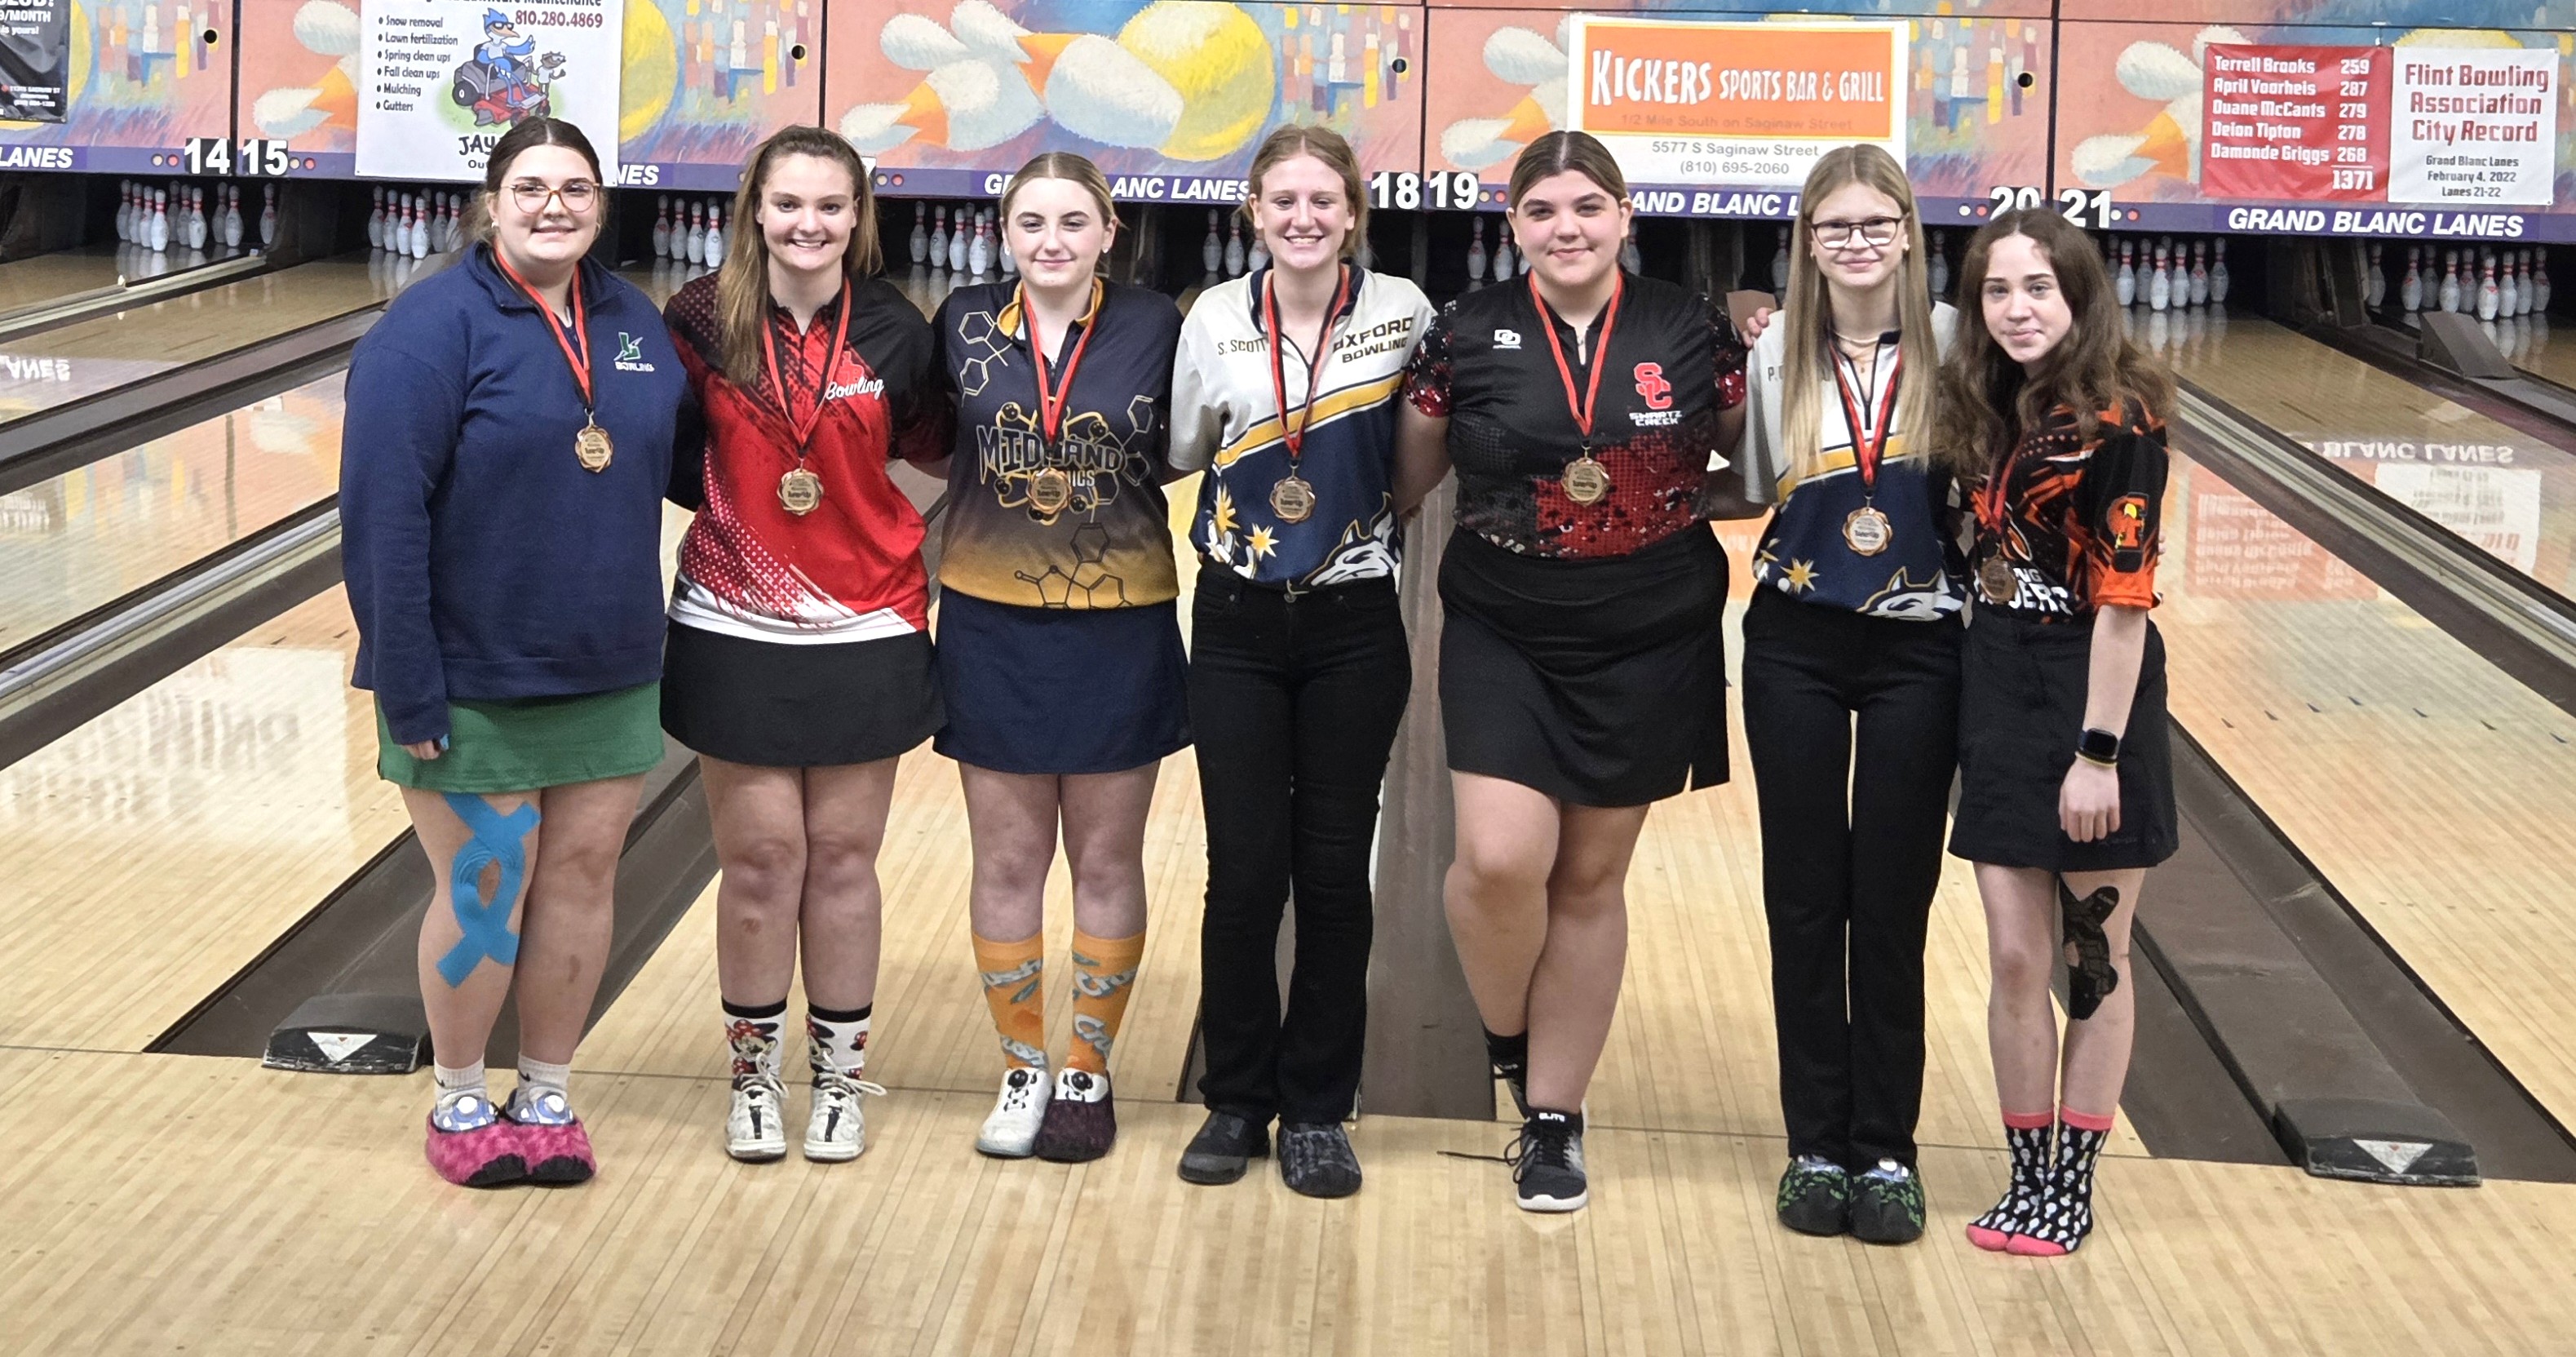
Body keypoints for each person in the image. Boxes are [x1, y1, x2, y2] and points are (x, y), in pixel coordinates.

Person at [1396, 131, 1749, 1213]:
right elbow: (1410, 480)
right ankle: (1510, 1031)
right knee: (1499, 858)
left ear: (1624, 215)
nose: (1568, 227)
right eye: (1543, 210)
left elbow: (1743, 469)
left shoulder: (1690, 327)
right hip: (1503, 623)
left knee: (1589, 881)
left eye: (1588, 206)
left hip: (1648, 633)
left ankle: (1553, 1116)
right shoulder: (1463, 331)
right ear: (1513, 226)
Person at [341, 117, 684, 1187]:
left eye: (574, 188)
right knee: (488, 885)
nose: (553, 206)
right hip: (471, 675)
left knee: (579, 880)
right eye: (530, 186)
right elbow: (382, 516)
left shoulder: (631, 320)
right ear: (491, 202)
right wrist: (407, 681)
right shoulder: (428, 328)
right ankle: (458, 1095)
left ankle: (545, 1091)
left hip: (609, 665)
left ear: (601, 204)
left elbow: (676, 460)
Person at [660, 126, 953, 1164]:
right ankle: (753, 1079)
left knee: (840, 858)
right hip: (731, 620)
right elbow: (673, 456)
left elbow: (930, 448)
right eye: (788, 203)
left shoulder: (894, 327)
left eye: (830, 206)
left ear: (857, 216)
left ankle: (837, 1077)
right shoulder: (700, 319)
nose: (808, 224)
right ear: (755, 207)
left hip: (865, 621)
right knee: (760, 860)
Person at [1165, 125, 1434, 1198]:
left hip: (1353, 622)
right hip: (1234, 618)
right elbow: (1187, 447)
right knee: (1242, 871)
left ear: (1352, 212)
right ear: (1253, 211)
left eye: (1323, 200)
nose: (1303, 217)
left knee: (1330, 872)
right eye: (1283, 200)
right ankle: (1236, 1096)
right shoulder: (1213, 317)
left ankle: (1317, 1106)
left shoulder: (1404, 311)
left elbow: (1417, 459)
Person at [928, 152, 1186, 1164]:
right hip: (989, 621)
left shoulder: (1155, 324)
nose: (1051, 240)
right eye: (1030, 222)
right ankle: (1020, 1063)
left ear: (1108, 231)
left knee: (1105, 859)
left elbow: (1183, 445)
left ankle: (1086, 1067)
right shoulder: (961, 319)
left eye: (1073, 221)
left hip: (1119, 621)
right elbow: (928, 441)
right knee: (1005, 859)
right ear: (1003, 233)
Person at [1932, 207, 2178, 1257]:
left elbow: (2123, 607)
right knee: (2012, 955)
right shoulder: (1983, 404)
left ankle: (2070, 1185)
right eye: (1995, 290)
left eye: (2037, 288)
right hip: (1996, 685)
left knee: (2093, 963)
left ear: (2078, 295)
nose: (2015, 308)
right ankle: (2025, 1172)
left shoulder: (2120, 422)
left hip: (2093, 699)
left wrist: (2096, 756)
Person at [1735, 146, 1963, 1244]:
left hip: (1922, 647)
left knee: (1889, 901)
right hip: (1794, 641)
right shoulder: (1775, 348)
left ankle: (1886, 1148)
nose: (1858, 241)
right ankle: (1813, 1144)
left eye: (1876, 223)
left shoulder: (1957, 343)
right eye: (1835, 227)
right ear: (1808, 242)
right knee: (1802, 896)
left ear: (1908, 232)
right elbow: (1745, 488)